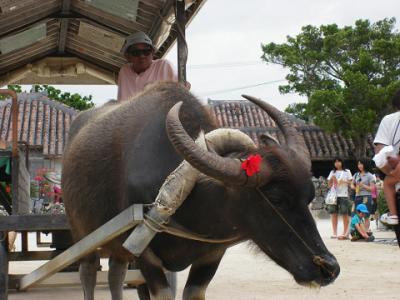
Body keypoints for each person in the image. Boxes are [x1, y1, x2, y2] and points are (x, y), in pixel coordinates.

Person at [117, 31, 187, 101]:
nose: (142, 56)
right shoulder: (124, 71)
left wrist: (184, 85)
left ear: (152, 53)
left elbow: (182, 88)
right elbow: (121, 103)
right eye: (136, 52)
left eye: (146, 51)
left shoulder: (163, 66)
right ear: (127, 56)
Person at [373, 88, 400, 225]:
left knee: (388, 183)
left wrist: (391, 172)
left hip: (397, 181)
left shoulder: (390, 120)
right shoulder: (391, 120)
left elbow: (380, 154)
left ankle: (393, 215)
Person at [327, 158, 353, 240]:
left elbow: (351, 183)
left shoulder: (347, 172)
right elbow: (329, 185)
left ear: (342, 162)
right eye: (335, 162)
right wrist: (332, 180)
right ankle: (334, 233)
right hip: (334, 195)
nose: (337, 163)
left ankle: (345, 232)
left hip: (343, 195)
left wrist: (344, 182)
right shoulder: (332, 172)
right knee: (333, 214)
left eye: (338, 161)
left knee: (345, 214)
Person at [350, 159, 376, 231]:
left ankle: (366, 231)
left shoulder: (370, 176)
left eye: (361, 164)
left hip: (366, 197)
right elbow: (351, 184)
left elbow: (372, 189)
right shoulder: (356, 175)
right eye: (358, 164)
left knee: (366, 215)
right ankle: (358, 232)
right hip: (357, 196)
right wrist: (354, 187)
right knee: (356, 214)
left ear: (365, 164)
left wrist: (363, 185)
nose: (360, 166)